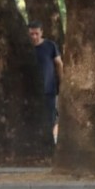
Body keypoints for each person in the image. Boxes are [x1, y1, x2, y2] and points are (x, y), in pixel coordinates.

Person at [28, 21, 63, 150]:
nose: (34, 37)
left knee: (50, 118)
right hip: (30, 92)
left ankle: (48, 145)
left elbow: (59, 64)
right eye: (31, 34)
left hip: (48, 89)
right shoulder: (25, 48)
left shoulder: (50, 46)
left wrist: (62, 82)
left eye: (36, 34)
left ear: (41, 32)